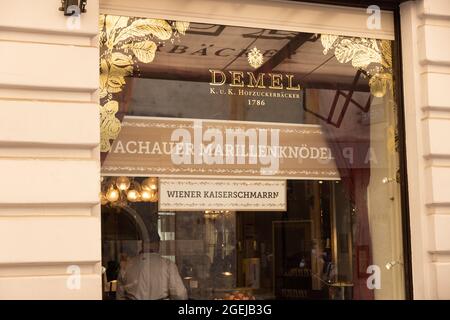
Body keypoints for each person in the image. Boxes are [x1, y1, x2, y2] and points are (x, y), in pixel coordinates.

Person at [116, 232, 188, 300]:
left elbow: (120, 296)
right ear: (158, 244)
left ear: (142, 243)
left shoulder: (127, 265)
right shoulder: (168, 265)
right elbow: (180, 295)